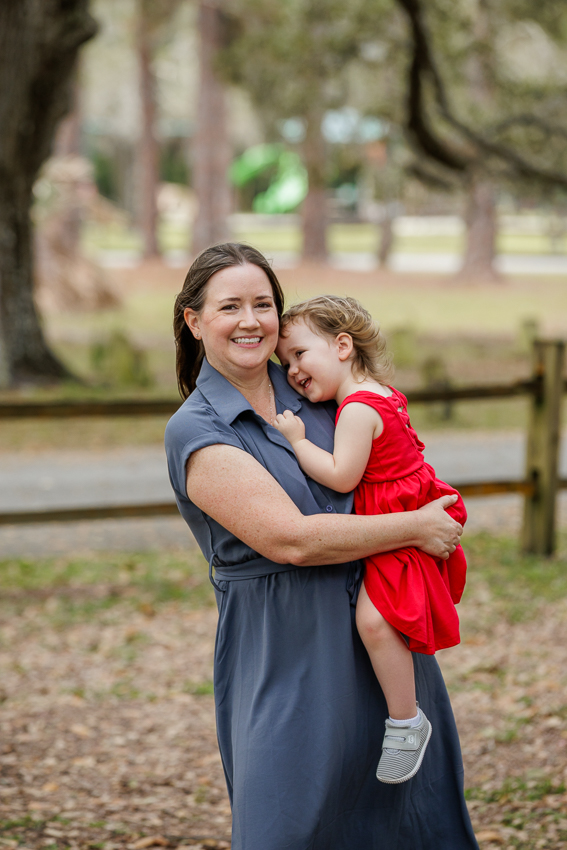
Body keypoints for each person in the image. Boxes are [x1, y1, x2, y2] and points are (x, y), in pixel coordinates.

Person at [164, 242, 479, 850]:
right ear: (194, 319)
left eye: (264, 304)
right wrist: (415, 526)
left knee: (409, 824)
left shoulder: (316, 390)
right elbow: (292, 541)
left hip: (383, 637)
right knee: (290, 822)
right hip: (287, 652)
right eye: (230, 306)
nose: (251, 320)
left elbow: (390, 464)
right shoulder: (199, 430)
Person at [273, 295, 467, 785]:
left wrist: (297, 441)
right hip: (403, 513)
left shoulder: (358, 409)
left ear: (342, 345)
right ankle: (405, 718)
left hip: (397, 524)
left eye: (299, 354)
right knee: (382, 622)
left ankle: (407, 722)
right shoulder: (381, 392)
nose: (292, 370)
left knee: (376, 623)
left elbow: (341, 477)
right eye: (284, 362)